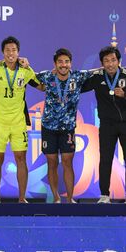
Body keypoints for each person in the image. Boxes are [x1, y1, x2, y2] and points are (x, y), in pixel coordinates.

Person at [81, 46, 126, 204]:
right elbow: (79, 87)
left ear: (119, 61)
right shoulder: (97, 77)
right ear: (102, 63)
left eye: (113, 60)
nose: (110, 64)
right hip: (107, 125)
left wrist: (125, 95)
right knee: (105, 159)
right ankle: (104, 195)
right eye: (106, 61)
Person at [0, 36, 43, 203]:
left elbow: (41, 86)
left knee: (20, 159)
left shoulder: (25, 71)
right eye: (7, 50)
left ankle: (22, 198)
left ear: (18, 52)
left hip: (18, 123)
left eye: (13, 50)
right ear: (2, 53)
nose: (11, 53)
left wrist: (30, 67)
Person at [36, 48, 91, 203]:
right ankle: (55, 198)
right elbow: (29, 77)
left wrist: (120, 68)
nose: (63, 65)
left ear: (70, 63)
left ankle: (70, 198)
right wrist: (24, 64)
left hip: (68, 128)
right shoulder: (47, 76)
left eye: (66, 61)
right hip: (49, 128)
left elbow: (97, 71)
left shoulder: (77, 77)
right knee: (52, 162)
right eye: (60, 62)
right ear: (55, 64)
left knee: (67, 162)